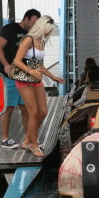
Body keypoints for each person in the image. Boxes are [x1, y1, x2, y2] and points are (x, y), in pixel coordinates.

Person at [13, 15, 64, 157]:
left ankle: (28, 139)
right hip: (24, 78)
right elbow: (17, 61)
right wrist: (31, 71)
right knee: (33, 112)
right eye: (48, 30)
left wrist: (53, 77)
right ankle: (33, 145)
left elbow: (40, 65)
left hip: (36, 79)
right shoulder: (28, 40)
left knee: (43, 112)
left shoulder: (41, 41)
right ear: (41, 27)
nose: (49, 33)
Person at [0, 9, 41, 148]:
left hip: (24, 76)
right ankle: (5, 138)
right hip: (8, 76)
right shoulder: (9, 29)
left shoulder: (31, 34)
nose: (34, 26)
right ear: (26, 19)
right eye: (33, 22)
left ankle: (30, 139)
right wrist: (5, 65)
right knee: (8, 108)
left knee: (26, 108)